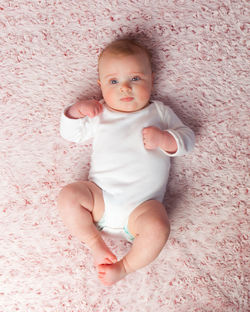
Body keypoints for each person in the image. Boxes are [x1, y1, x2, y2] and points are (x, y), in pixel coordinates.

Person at [58, 38, 195, 286]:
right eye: (114, 82)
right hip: (100, 200)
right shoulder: (100, 112)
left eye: (135, 79)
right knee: (69, 195)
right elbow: (72, 134)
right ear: (101, 87)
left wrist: (165, 139)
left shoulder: (160, 113)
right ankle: (94, 243)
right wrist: (76, 112)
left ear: (151, 79)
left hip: (141, 210)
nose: (124, 88)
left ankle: (124, 267)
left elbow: (187, 140)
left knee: (159, 226)